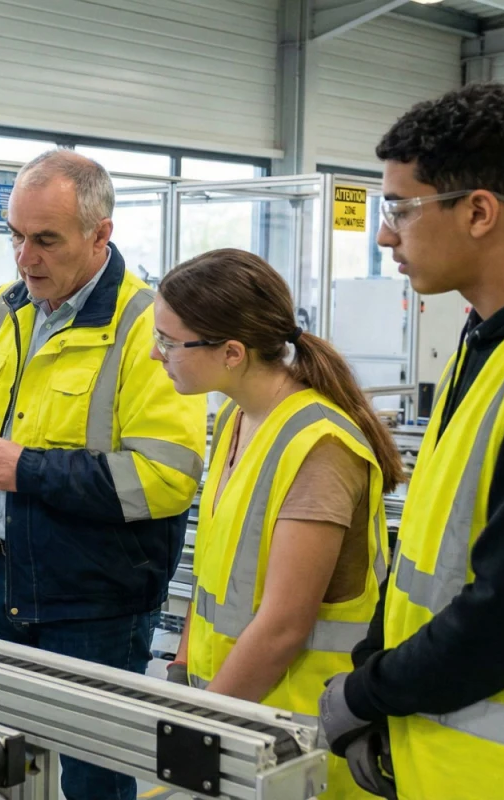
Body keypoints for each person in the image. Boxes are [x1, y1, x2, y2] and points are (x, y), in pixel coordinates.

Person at [0, 149, 206, 800]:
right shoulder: (3, 313)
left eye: (45, 240)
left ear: (101, 235)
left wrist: (28, 469)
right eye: (15, 236)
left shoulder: (148, 326)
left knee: (94, 779)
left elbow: (165, 478)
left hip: (97, 601)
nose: (25, 257)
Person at [316, 83, 504, 800]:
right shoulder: (484, 345)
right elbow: (428, 558)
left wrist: (367, 693)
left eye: (399, 207)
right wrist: (374, 679)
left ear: (479, 211)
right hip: (438, 757)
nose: (385, 234)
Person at [153, 249, 403, 800]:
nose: (156, 353)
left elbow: (285, 624)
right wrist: (182, 667)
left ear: (232, 352)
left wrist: (202, 724)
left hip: (298, 741)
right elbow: (214, 570)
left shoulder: (321, 447)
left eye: (169, 341)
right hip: (239, 719)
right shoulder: (236, 418)